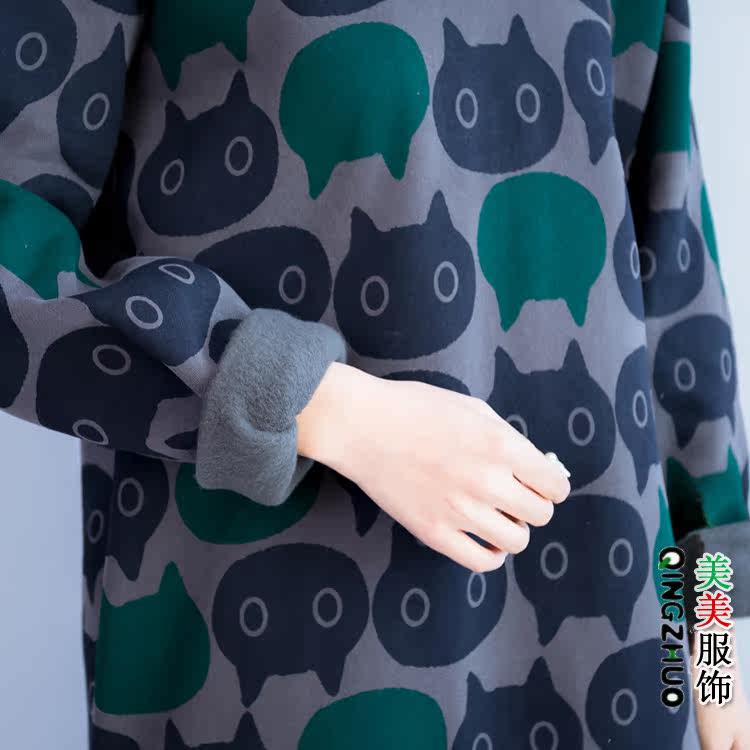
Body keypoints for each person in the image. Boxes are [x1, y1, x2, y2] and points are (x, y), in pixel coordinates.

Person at [1, 0, 749, 747]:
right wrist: (317, 405)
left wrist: (716, 652)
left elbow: (675, 280)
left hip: (616, 647)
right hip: (277, 649)